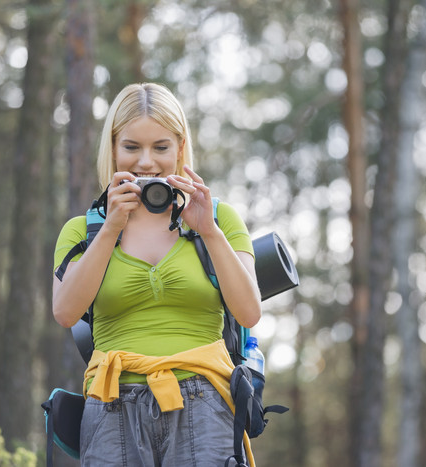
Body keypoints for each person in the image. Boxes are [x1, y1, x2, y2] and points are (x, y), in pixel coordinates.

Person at [52, 82, 262, 466]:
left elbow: (249, 312)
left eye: (160, 147)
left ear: (180, 148)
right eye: (131, 147)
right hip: (111, 402)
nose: (146, 162)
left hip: (205, 402)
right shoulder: (83, 231)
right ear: (113, 149)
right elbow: (65, 313)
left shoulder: (219, 218)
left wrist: (209, 231)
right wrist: (111, 227)